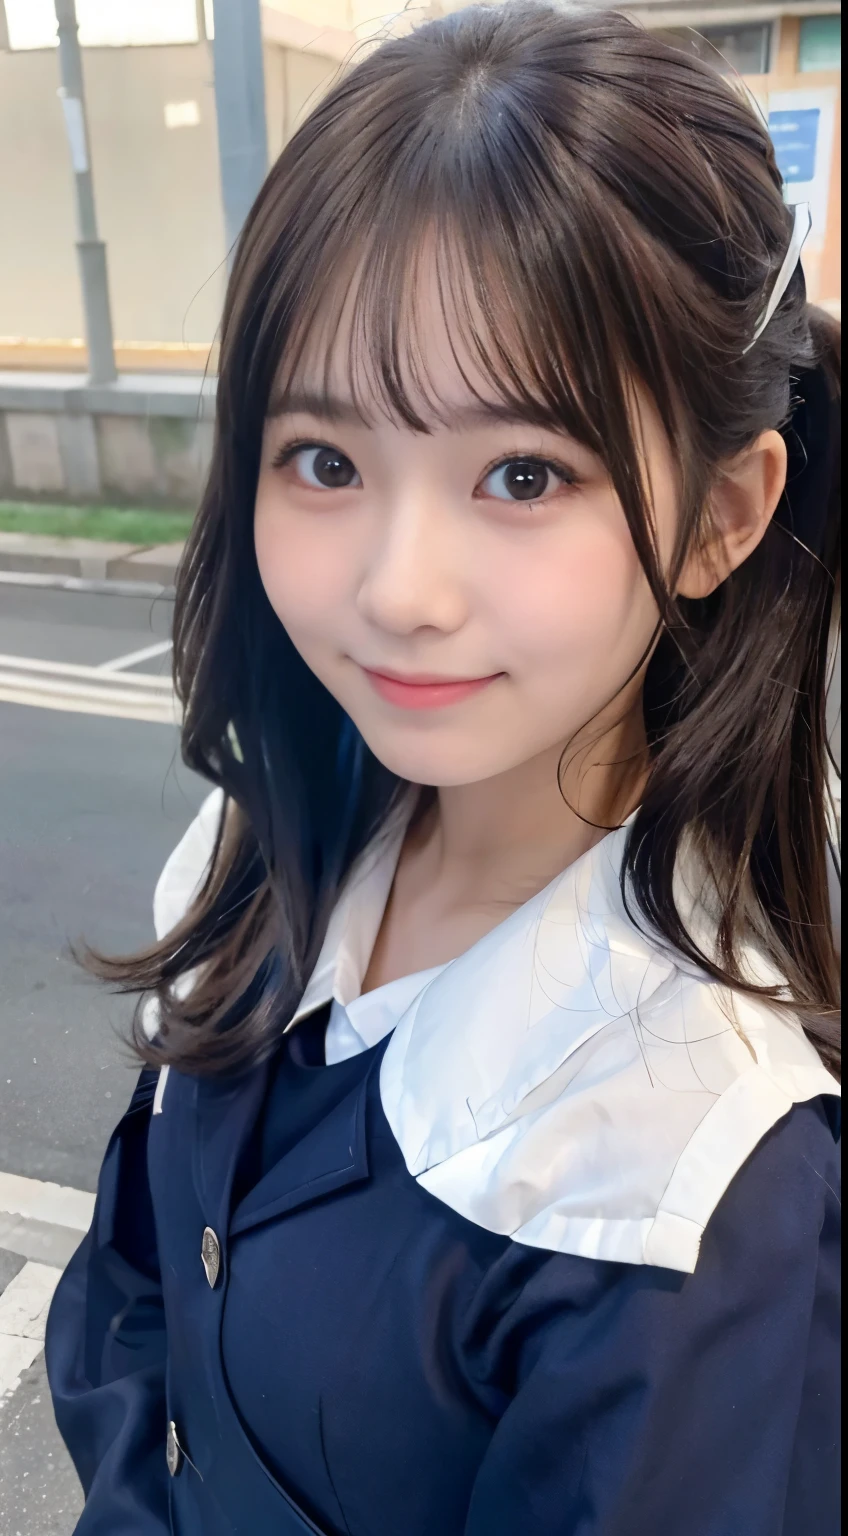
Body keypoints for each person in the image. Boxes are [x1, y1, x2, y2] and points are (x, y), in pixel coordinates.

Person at [46, 5, 840, 1533]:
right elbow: (130, 1287)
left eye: (523, 474)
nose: (400, 587)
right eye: (327, 462)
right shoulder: (269, 841)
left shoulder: (696, 1186)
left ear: (723, 515)